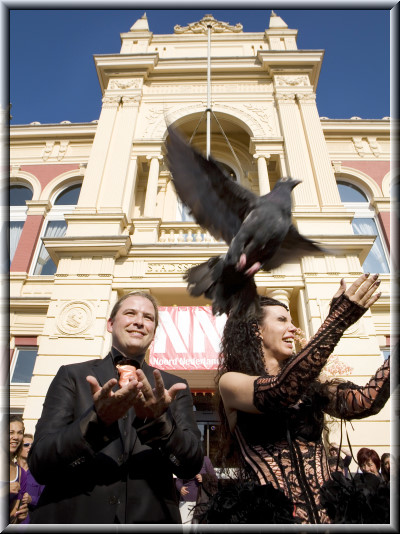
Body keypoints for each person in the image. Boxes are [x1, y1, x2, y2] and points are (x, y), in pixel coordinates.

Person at [204, 273, 390, 524]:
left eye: (292, 320)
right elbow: (280, 391)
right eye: (282, 320)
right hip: (272, 520)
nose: (293, 328)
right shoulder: (231, 382)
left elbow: (366, 400)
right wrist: (338, 319)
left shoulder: (312, 387)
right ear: (256, 330)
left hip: (333, 518)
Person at [28, 291, 203, 524]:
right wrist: (96, 422)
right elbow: (40, 463)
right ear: (110, 324)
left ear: (154, 332)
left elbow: (190, 465)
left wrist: (159, 423)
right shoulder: (73, 376)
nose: (139, 321)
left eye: (148, 318)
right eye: (130, 313)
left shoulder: (171, 387)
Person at [176, 455, 218, 524]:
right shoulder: (184, 459)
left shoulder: (205, 460)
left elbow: (214, 479)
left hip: (201, 503)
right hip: (186, 501)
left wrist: (203, 478)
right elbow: (178, 480)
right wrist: (180, 488)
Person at [16, 433, 45, 522]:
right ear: (19, 448)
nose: (30, 448)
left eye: (32, 445)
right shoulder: (11, 471)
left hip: (32, 521)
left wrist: (31, 499)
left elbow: (45, 499)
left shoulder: (39, 472)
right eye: (26, 445)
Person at [9, 415, 30, 524]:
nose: (16, 437)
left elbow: (13, 516)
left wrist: (20, 515)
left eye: (19, 433)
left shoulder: (21, 473)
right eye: (11, 432)